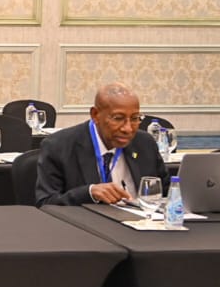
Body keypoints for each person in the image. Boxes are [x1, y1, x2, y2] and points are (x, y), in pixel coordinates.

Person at [35, 81, 167, 206]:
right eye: (118, 118)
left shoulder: (145, 143)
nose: (128, 128)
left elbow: (167, 193)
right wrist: (89, 193)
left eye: (134, 118)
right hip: (86, 221)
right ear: (95, 115)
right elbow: (46, 203)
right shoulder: (59, 146)